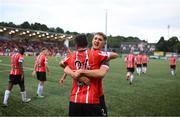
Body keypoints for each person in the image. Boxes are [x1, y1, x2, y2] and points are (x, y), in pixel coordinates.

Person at [60, 32, 118, 116]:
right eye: (95, 38)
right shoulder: (82, 54)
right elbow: (69, 67)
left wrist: (80, 72)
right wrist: (75, 76)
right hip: (87, 97)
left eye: (100, 39)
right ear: (91, 40)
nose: (97, 41)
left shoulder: (104, 58)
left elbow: (101, 73)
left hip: (97, 94)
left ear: (104, 43)